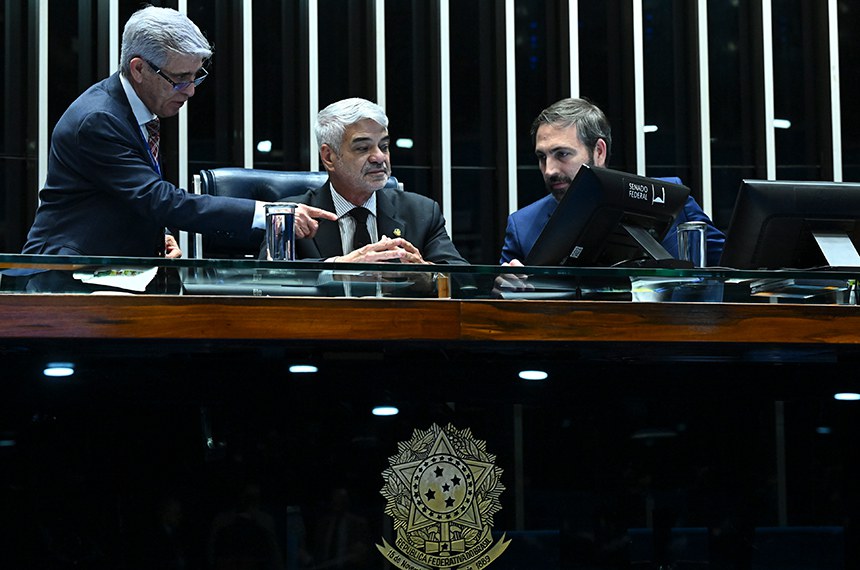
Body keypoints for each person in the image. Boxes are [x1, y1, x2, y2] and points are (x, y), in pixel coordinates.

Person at [21, 6, 333, 262]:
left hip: (109, 270)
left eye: (196, 76)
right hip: (66, 275)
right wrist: (266, 212)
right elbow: (158, 198)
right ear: (139, 68)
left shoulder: (131, 109)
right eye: (180, 78)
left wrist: (159, 234)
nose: (191, 90)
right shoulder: (99, 120)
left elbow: (125, 195)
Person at [500, 97, 725, 266]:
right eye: (542, 157)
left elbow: (730, 266)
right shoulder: (522, 226)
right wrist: (505, 286)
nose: (549, 170)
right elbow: (500, 296)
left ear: (598, 151)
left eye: (562, 154)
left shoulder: (670, 198)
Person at [268, 97, 467, 265]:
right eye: (363, 148)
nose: (379, 157)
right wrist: (338, 268)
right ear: (329, 157)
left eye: (384, 146)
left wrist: (426, 275)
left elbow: (465, 283)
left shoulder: (421, 212)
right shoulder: (293, 216)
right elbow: (264, 283)